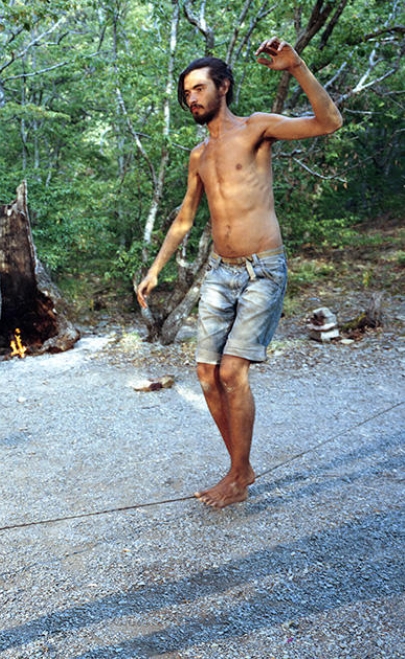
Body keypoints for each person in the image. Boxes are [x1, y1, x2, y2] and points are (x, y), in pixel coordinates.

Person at [136, 38, 342, 509]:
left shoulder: (256, 129)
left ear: (223, 87)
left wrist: (296, 68)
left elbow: (330, 122)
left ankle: (236, 476)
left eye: (199, 89)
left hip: (262, 270)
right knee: (206, 373)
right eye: (186, 92)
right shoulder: (198, 156)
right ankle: (240, 467)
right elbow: (185, 218)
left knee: (232, 371)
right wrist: (154, 271)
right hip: (220, 273)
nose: (192, 98)